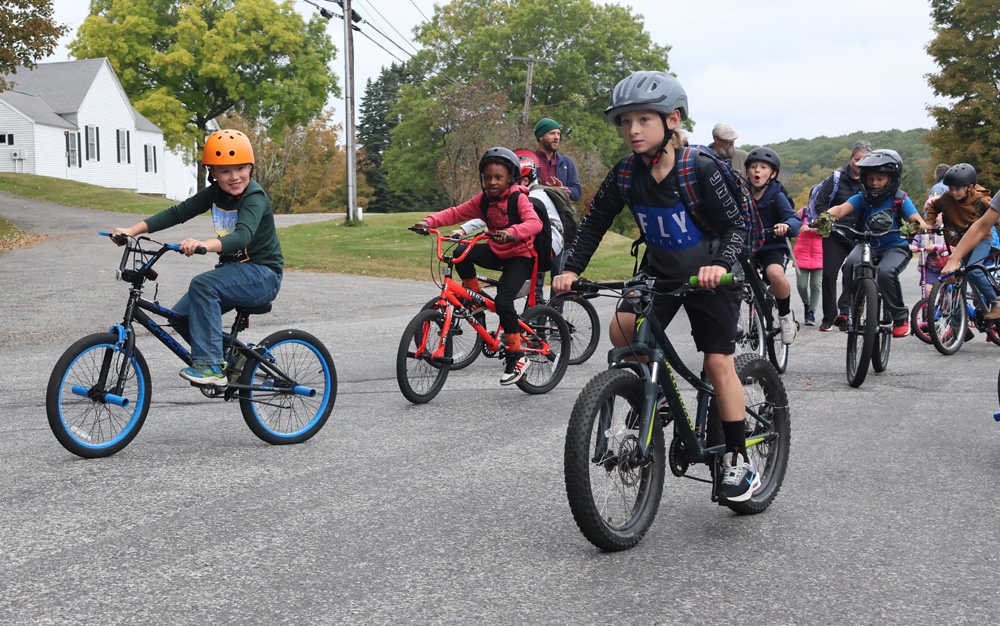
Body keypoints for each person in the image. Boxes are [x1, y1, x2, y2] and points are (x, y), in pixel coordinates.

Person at [551, 70, 758, 504]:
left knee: (718, 364)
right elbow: (593, 225)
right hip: (661, 275)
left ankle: (739, 461)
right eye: (625, 121)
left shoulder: (698, 166)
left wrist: (719, 265)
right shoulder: (626, 173)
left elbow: (737, 224)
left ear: (673, 119)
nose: (632, 130)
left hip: (714, 278)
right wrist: (570, 269)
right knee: (622, 330)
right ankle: (657, 394)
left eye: (643, 119)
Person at [111, 129, 283, 386]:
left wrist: (204, 244)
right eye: (224, 171)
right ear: (212, 173)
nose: (234, 177)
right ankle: (233, 358)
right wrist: (131, 231)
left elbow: (243, 236)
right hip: (236, 272)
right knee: (181, 317)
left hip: (263, 274)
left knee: (204, 284)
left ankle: (212, 366)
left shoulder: (254, 197)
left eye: (240, 168)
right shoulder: (214, 193)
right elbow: (177, 213)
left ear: (251, 167)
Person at [414, 147, 542, 385]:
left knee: (504, 302)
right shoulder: (483, 200)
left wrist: (512, 233)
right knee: (461, 251)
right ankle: (475, 299)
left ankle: (517, 355)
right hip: (496, 251)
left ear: (510, 179)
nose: (492, 182)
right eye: (487, 177)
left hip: (520, 255)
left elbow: (535, 223)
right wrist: (428, 222)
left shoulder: (518, 198)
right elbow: (455, 213)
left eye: (498, 178)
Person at [813, 149, 929, 337]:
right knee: (850, 265)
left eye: (880, 178)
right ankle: (849, 311)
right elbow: (841, 208)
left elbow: (919, 222)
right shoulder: (862, 197)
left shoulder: (900, 198)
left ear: (891, 178)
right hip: (866, 245)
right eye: (870, 178)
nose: (874, 183)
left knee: (885, 273)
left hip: (895, 247)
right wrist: (826, 217)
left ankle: (900, 317)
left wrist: (914, 228)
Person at [454, 150, 563, 303]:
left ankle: (546, 314)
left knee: (538, 282)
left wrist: (508, 231)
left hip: (546, 241)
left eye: (503, 178)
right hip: (514, 242)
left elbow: (514, 216)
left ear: (524, 181)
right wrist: (463, 229)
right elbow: (492, 212)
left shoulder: (534, 196)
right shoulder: (507, 195)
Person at [926, 163, 1000, 318]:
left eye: (957, 188)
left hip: (982, 239)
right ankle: (958, 323)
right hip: (960, 241)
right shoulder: (946, 198)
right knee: (957, 278)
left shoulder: (981, 200)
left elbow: (989, 219)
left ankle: (996, 302)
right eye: (950, 188)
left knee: (973, 270)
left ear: (969, 186)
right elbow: (933, 206)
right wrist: (930, 222)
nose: (953, 192)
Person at [744, 147, 801, 343]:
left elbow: (793, 219)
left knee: (775, 274)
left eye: (762, 167)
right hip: (747, 247)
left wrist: (786, 226)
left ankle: (785, 318)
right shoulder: (741, 194)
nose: (757, 171)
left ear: (773, 173)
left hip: (772, 247)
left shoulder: (777, 195)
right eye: (753, 167)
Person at [815, 140, 872, 331]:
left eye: (863, 161)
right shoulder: (837, 178)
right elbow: (820, 204)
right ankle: (829, 317)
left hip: (860, 234)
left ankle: (846, 310)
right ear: (851, 158)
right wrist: (829, 221)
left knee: (856, 272)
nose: (859, 165)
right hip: (836, 233)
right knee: (829, 274)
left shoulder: (872, 180)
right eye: (856, 160)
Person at [533, 117, 581, 276]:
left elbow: (577, 192)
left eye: (558, 133)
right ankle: (535, 302)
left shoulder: (567, 162)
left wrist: (562, 190)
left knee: (559, 279)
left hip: (562, 228)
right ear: (541, 136)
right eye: (552, 133)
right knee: (536, 278)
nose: (557, 137)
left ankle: (557, 303)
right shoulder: (529, 161)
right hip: (536, 227)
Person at [792, 205, 823, 325]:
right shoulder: (803, 212)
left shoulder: (825, 215)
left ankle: (811, 313)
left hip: (819, 254)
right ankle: (806, 303)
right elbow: (793, 224)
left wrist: (810, 229)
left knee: (816, 285)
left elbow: (827, 231)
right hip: (801, 254)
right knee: (801, 285)